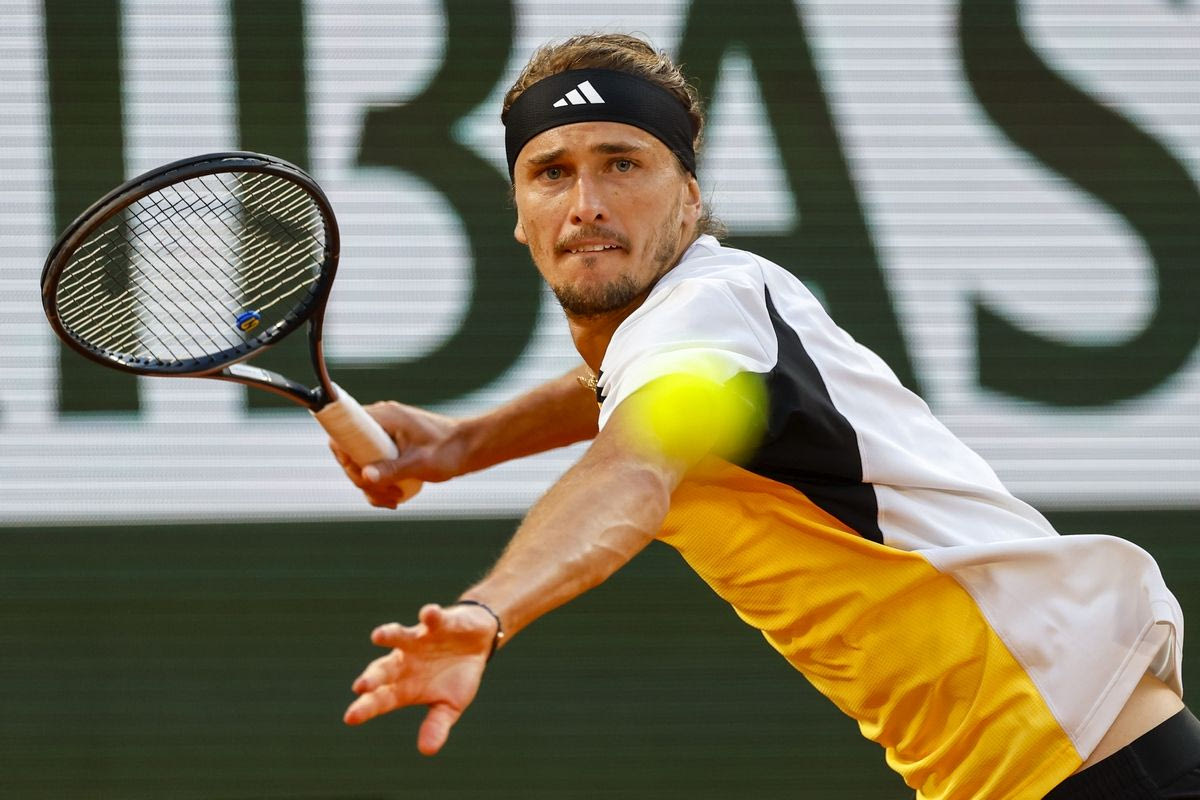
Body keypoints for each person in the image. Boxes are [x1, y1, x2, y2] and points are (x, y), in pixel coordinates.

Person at [330, 33, 1197, 799]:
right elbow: (612, 387)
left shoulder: (704, 309)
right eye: (551, 172)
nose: (586, 201)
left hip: (1085, 757)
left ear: (688, 197)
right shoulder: (703, 319)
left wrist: (490, 612)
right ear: (520, 215)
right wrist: (463, 443)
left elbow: (632, 467)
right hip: (1042, 755)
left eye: (622, 163)